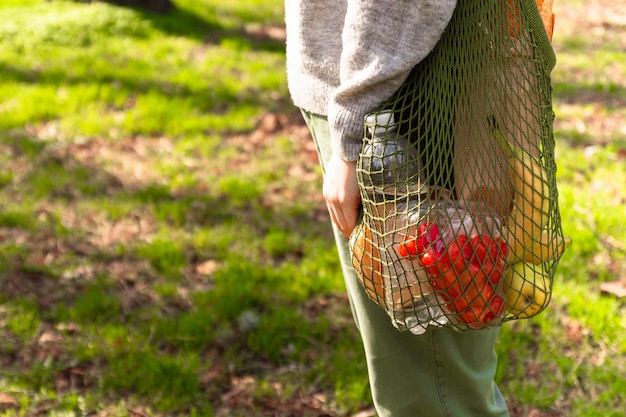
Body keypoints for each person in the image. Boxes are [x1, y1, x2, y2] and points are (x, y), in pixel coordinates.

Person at [285, 1, 511, 416]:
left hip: (404, 90)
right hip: (388, 76)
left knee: (433, 391)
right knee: (431, 375)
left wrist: (353, 128)